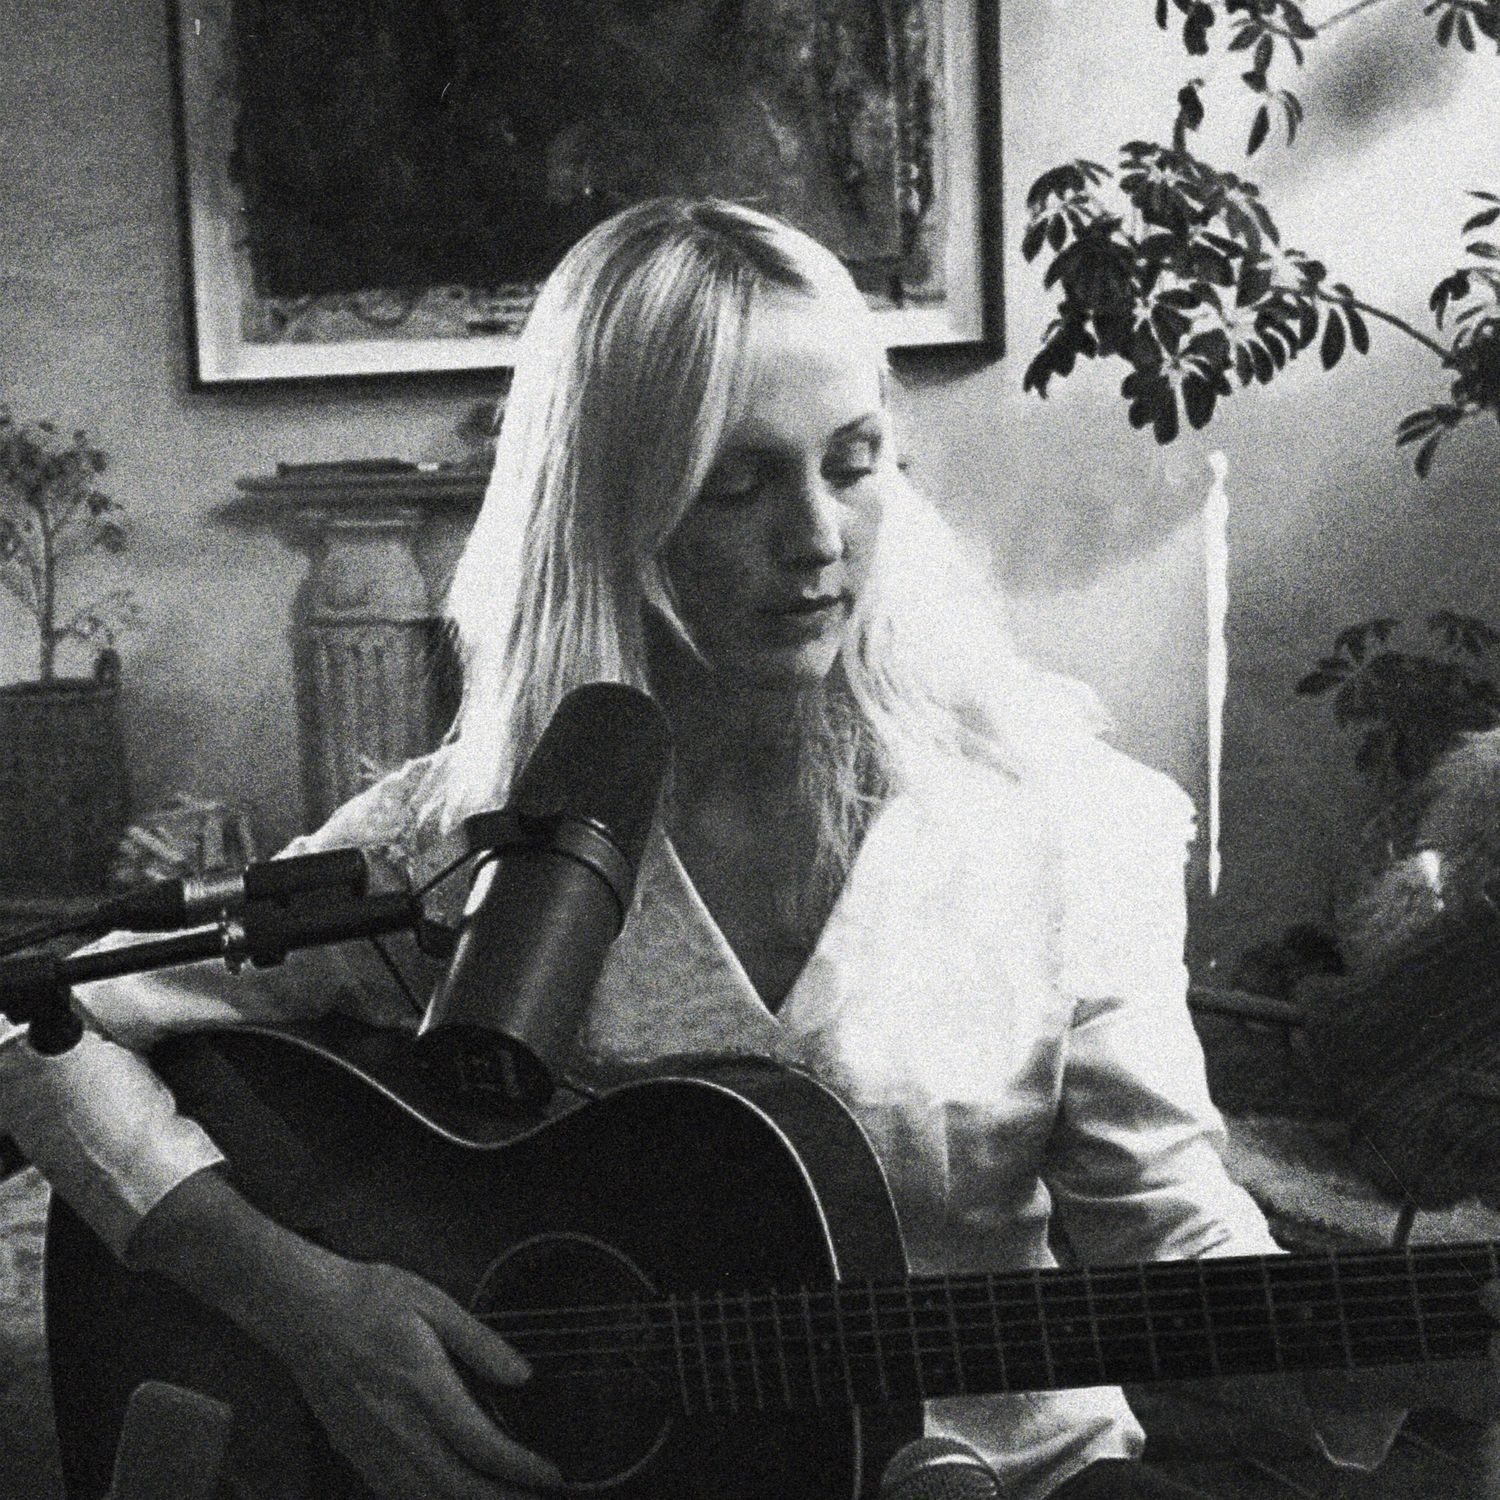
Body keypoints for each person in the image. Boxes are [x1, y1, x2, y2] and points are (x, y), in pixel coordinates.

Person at [0, 198, 1479, 1500]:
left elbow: (1171, 1242)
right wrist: (309, 1309)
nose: (819, 536)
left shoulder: (1061, 819)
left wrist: (1389, 1347)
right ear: (612, 511)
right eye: (740, 482)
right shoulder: (466, 847)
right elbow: (34, 1023)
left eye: (855, 462)